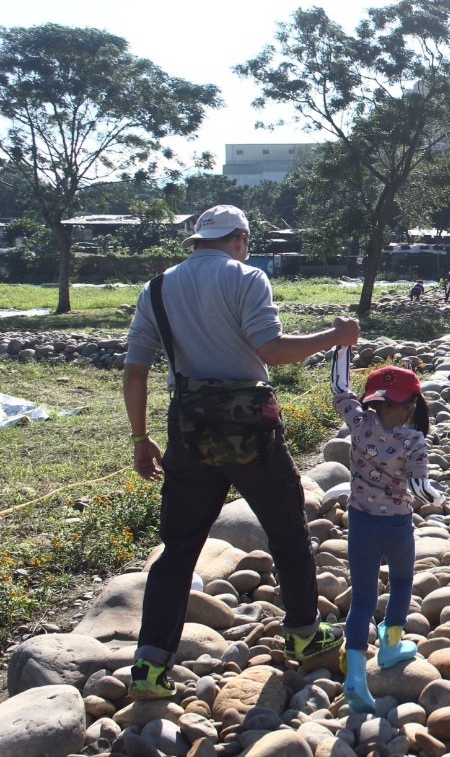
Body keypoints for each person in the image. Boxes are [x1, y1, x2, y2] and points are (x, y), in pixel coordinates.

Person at [123, 204, 359, 699]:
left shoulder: (158, 288)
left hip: (188, 428)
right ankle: (303, 635)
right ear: (240, 239)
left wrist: (140, 438)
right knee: (288, 533)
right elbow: (270, 350)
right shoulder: (247, 277)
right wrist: (335, 337)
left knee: (178, 550)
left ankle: (149, 666)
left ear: (197, 240)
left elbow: (136, 370)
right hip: (252, 428)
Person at [330, 349, 445, 713]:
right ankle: (392, 645)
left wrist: (344, 346)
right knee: (401, 584)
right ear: (412, 403)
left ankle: (355, 675)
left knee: (361, 601)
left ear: (372, 399)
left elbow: (338, 389)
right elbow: (419, 489)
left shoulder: (359, 422)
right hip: (396, 526)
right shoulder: (413, 440)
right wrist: (441, 500)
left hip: (360, 524)